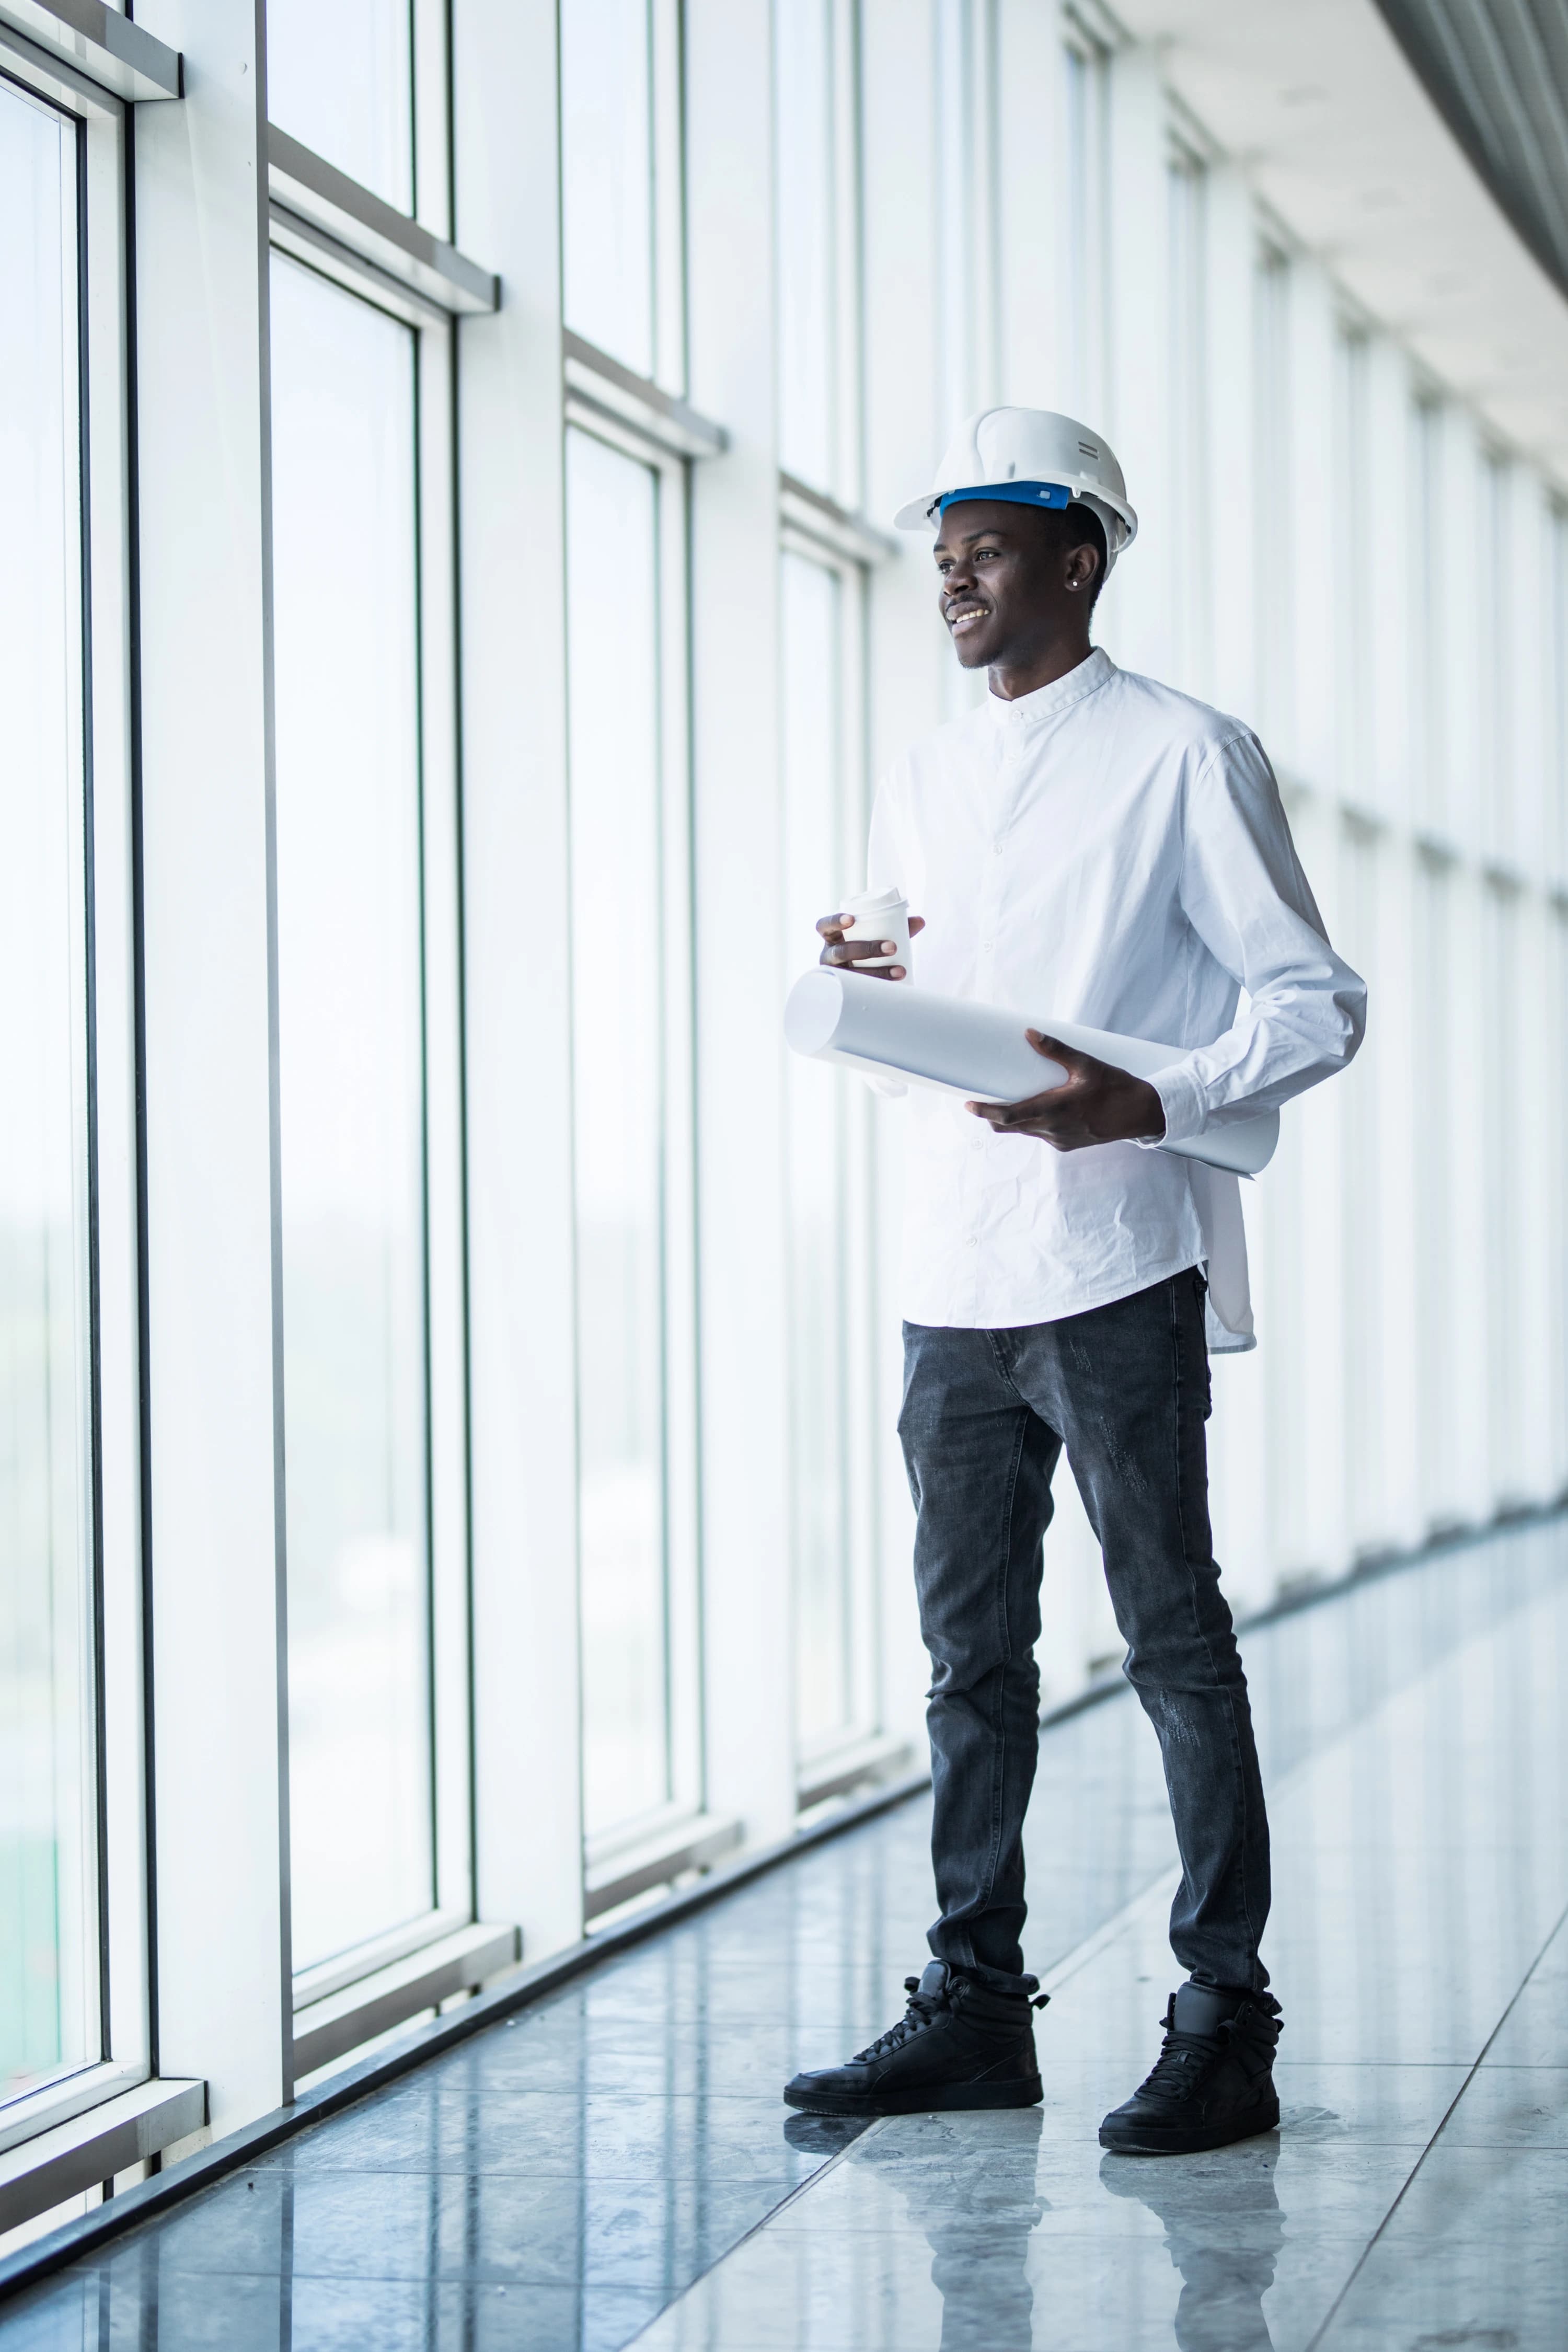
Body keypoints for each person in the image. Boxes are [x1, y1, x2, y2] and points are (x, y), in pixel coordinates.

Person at [782, 407, 1366, 2155]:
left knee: (1176, 1640)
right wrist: (873, 962)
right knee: (971, 1661)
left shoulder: (1190, 752)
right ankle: (976, 2010)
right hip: (950, 1269)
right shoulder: (925, 764)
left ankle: (1226, 2017)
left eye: (986, 540)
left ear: (1078, 556)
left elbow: (1313, 1002)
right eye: (940, 545)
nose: (950, 568)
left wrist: (1154, 1096)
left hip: (1115, 1260)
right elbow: (948, 969)